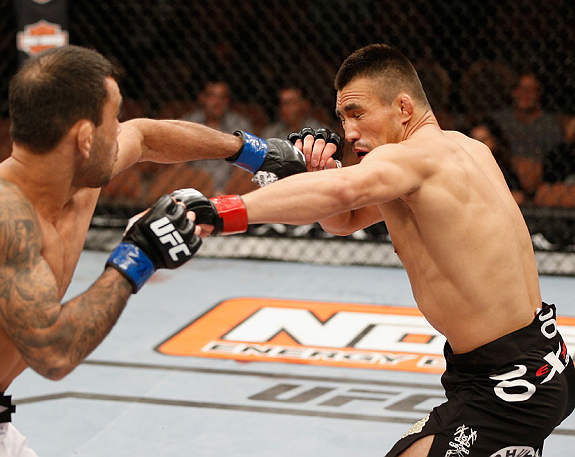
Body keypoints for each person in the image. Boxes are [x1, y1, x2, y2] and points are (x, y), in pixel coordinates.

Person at [0, 45, 306, 456]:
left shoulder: (78, 172)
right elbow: (53, 353)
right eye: (112, 118)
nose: (119, 128)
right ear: (84, 137)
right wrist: (140, 256)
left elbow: (146, 134)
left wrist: (254, 152)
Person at [173, 44, 575, 456]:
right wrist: (317, 176)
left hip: (511, 381)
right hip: (529, 361)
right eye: (343, 118)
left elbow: (346, 188)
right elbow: (343, 218)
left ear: (403, 107)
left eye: (357, 114)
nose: (347, 132)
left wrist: (215, 214)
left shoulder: (411, 161)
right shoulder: (465, 149)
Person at [182, 80, 253, 192]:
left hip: (230, 185)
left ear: (228, 100)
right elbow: (179, 164)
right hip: (195, 184)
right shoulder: (189, 122)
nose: (218, 102)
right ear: (202, 98)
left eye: (222, 97)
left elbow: (244, 165)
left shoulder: (239, 124)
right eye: (213, 96)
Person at [491, 72, 563, 162]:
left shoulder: (549, 124)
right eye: (522, 88)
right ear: (514, 92)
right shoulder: (500, 120)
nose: (526, 94)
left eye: (531, 89)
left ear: (538, 94)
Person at [468, 117, 526, 205]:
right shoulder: (464, 166)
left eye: (483, 140)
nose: (478, 145)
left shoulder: (503, 167)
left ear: (494, 141)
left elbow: (518, 197)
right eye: (473, 140)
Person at [261, 86, 327, 140]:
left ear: (305, 104)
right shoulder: (271, 133)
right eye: (282, 103)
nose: (284, 108)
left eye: (290, 103)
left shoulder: (318, 131)